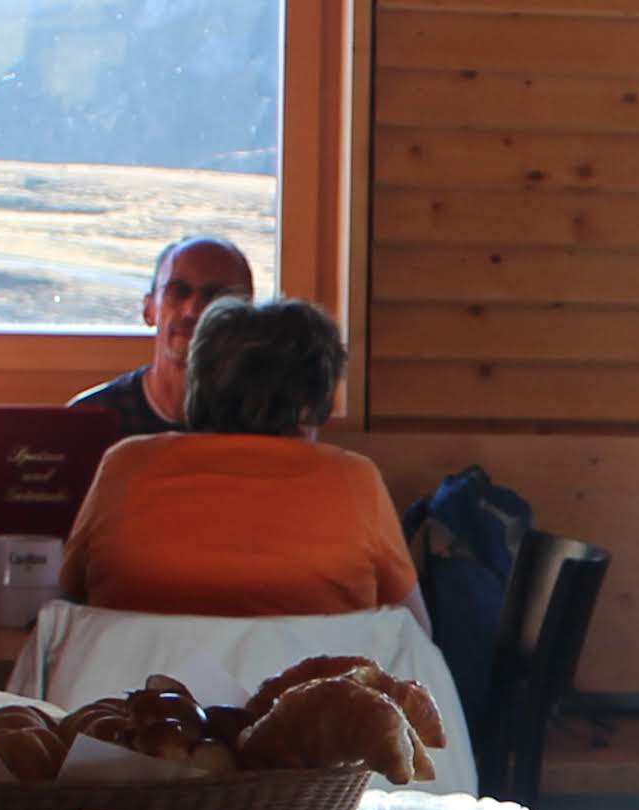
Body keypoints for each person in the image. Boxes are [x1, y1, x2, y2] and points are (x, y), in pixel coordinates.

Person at [64, 296, 418, 616]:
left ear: (198, 383)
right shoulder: (353, 480)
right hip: (308, 670)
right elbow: (415, 631)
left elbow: (69, 602)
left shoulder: (124, 466)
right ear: (310, 403)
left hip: (138, 669)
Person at [72, 233, 255, 448]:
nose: (192, 311)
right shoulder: (90, 420)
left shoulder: (264, 421)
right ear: (149, 309)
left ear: (247, 316)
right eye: (179, 292)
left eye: (214, 296)